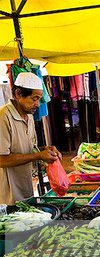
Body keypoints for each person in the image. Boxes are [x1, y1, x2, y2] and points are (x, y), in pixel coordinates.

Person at [0, 72, 61, 206]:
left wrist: (45, 151)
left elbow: (30, 149)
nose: (38, 104)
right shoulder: (4, 116)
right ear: (18, 94)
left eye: (39, 99)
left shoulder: (30, 117)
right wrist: (37, 155)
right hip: (7, 196)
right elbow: (1, 159)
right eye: (34, 99)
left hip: (26, 188)